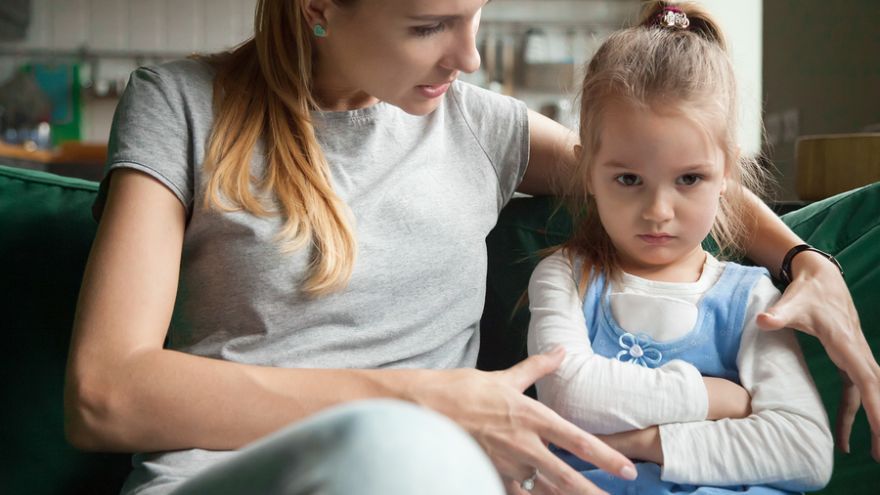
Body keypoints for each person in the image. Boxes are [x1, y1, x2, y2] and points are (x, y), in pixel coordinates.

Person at [62, 0, 876, 494]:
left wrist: (805, 261)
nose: (471, 56)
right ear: (319, 6)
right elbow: (104, 390)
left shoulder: (476, 124)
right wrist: (417, 399)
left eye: (475, 15)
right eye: (429, 26)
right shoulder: (180, 105)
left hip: (443, 477)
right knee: (395, 449)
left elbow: (667, 171)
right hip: (242, 477)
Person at [527, 2, 836, 493]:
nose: (658, 211)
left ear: (726, 175)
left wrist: (646, 441)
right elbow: (569, 394)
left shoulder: (753, 298)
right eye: (628, 178)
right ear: (588, 171)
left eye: (689, 178)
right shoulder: (567, 276)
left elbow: (806, 451)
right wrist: (716, 398)